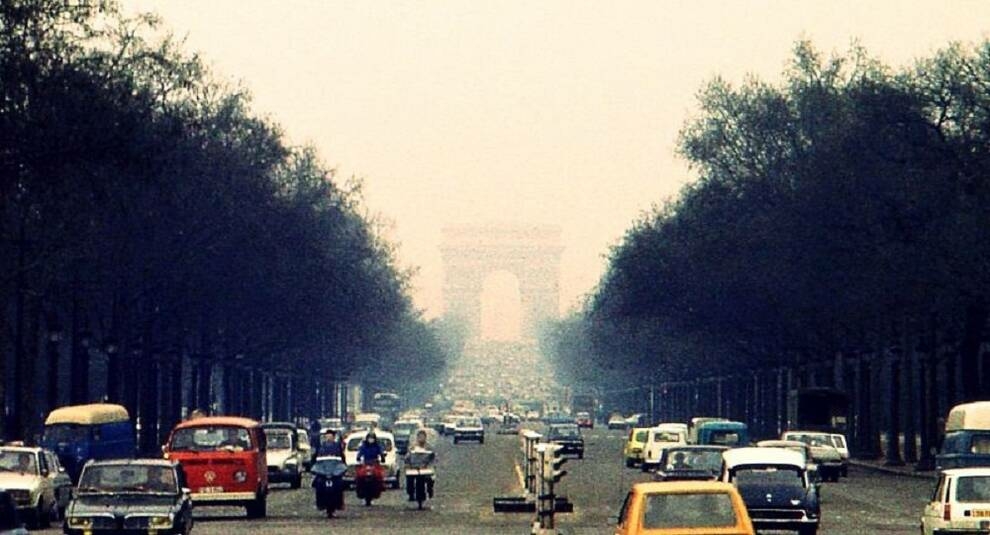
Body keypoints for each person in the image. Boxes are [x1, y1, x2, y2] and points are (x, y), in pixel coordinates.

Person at [404, 430, 436, 501]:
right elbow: (407, 457)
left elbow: (433, 458)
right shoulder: (412, 447)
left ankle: (429, 491)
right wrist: (408, 464)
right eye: (420, 436)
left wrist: (430, 466)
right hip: (414, 468)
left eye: (423, 436)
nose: (421, 438)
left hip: (425, 468)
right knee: (409, 479)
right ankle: (411, 494)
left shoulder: (429, 447)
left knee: (430, 479)